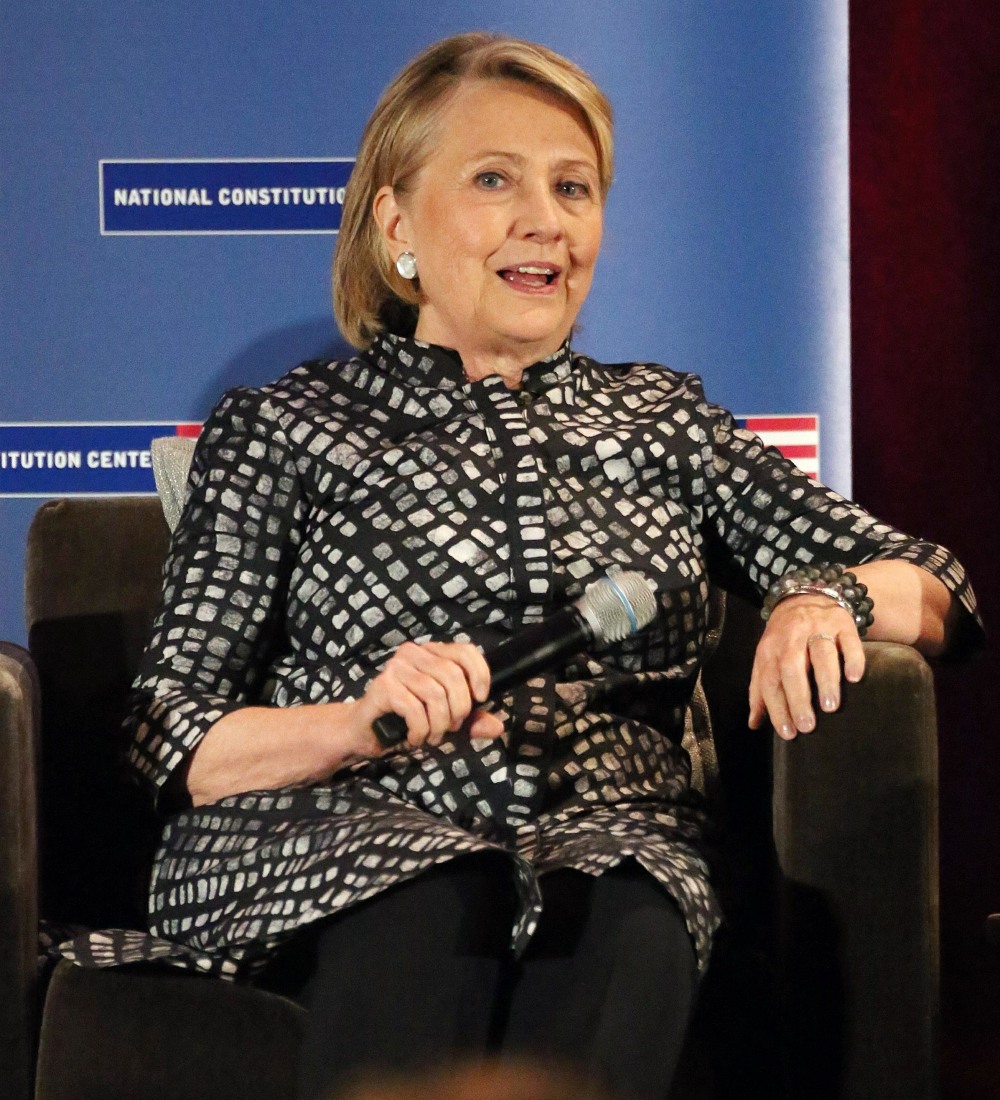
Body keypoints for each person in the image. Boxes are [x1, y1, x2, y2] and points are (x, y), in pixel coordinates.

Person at [101, 31, 979, 1100]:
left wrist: (823, 594)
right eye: (492, 180)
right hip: (340, 830)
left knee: (632, 918)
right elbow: (169, 727)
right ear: (395, 224)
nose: (545, 221)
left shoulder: (661, 420)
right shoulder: (288, 429)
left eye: (573, 187)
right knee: (434, 898)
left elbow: (935, 587)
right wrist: (352, 720)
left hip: (613, 836)